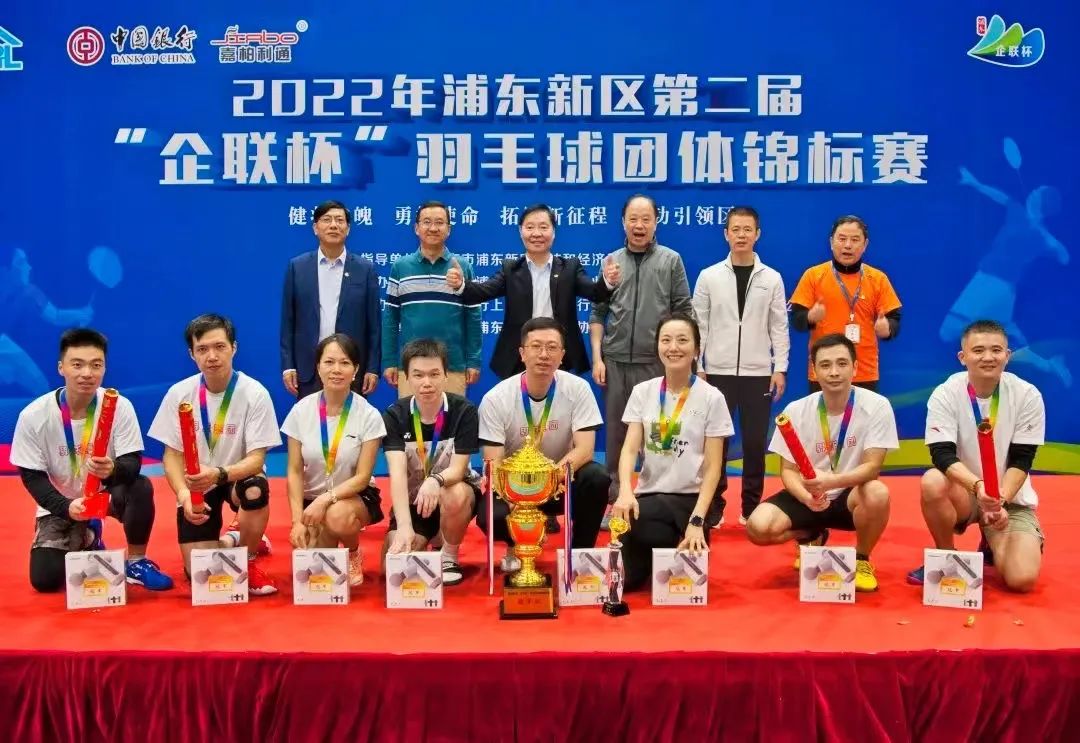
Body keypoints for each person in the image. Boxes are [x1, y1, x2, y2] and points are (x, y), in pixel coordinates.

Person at [11, 328, 173, 593]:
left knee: (140, 486)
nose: (87, 373)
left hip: (105, 496)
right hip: (62, 503)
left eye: (96, 365)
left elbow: (132, 462)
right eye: (77, 365)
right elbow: (32, 477)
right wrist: (66, 507)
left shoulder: (119, 406)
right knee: (45, 580)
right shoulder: (34, 416)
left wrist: (113, 470)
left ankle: (136, 562)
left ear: (104, 368)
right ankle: (89, 535)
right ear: (61, 367)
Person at [745, 334, 898, 592]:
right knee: (757, 528)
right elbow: (788, 471)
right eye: (825, 365)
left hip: (850, 494)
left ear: (855, 367)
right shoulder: (795, 410)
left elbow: (873, 467)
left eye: (842, 363)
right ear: (814, 371)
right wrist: (806, 497)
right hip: (810, 494)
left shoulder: (877, 406)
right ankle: (811, 533)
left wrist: (831, 481)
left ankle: (861, 558)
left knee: (878, 493)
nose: (834, 372)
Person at [148, 314, 282, 595]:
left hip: (236, 478)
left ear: (234, 348)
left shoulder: (254, 393)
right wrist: (184, 494)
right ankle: (234, 538)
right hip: (197, 486)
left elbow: (257, 459)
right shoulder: (179, 394)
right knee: (202, 573)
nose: (212, 356)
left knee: (256, 490)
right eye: (202, 349)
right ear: (192, 354)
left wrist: (219, 474)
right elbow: (171, 456)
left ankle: (248, 558)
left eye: (220, 346)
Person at [907, 320, 1045, 593]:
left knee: (1022, 580)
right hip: (966, 493)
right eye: (978, 350)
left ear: (1008, 355)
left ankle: (993, 540)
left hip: (1008, 499)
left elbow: (1022, 459)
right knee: (932, 481)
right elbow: (941, 454)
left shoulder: (1027, 395)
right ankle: (947, 557)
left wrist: (999, 499)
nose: (988, 357)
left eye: (996, 350)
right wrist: (979, 488)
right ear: (963, 357)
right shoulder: (945, 394)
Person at [476, 317, 610, 570]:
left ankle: (579, 555)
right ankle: (518, 546)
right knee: (491, 516)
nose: (544, 354)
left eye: (552, 347)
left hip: (559, 482)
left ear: (562, 355)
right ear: (522, 353)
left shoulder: (578, 389)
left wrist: (546, 480)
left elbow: (585, 449)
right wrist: (517, 499)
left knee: (597, 478)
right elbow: (495, 462)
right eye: (536, 346)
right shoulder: (496, 398)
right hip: (514, 487)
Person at [612, 313, 732, 590]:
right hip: (649, 496)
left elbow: (713, 467)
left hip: (692, 499)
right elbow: (629, 449)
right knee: (628, 582)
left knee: (673, 564)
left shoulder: (712, 397)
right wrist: (625, 492)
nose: (673, 347)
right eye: (666, 340)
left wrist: (698, 520)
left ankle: (676, 538)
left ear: (696, 349)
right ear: (657, 346)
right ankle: (661, 547)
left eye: (682, 340)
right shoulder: (643, 392)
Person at [589, 194, 694, 510]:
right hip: (615, 361)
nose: (639, 225)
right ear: (623, 222)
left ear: (655, 223)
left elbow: (683, 310)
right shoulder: (611, 261)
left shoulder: (671, 260)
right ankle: (614, 499)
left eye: (646, 219)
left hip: (656, 363)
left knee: (658, 434)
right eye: (633, 219)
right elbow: (598, 312)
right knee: (617, 434)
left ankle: (656, 499)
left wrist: (681, 358)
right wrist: (598, 358)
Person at [692, 206, 789, 527]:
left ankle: (751, 508)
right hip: (716, 372)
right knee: (715, 443)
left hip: (758, 373)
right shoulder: (709, 276)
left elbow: (779, 326)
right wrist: (699, 365)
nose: (741, 235)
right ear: (726, 234)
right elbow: (699, 325)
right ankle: (714, 507)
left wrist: (780, 367)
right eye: (735, 229)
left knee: (755, 443)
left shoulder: (771, 278)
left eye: (748, 229)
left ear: (757, 234)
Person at [445, 203, 621, 379]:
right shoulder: (511, 269)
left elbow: (595, 293)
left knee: (557, 395)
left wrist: (607, 281)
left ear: (554, 232)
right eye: (530, 227)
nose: (536, 233)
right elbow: (483, 291)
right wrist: (461, 284)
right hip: (520, 354)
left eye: (543, 227)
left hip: (558, 353)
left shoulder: (569, 267)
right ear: (520, 231)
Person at [942, 162, 1070, 387]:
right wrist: (975, 184)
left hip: (992, 284)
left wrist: (1046, 236)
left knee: (949, 330)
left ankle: (979, 373)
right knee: (1008, 337)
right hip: (998, 287)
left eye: (1038, 192)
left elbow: (1064, 257)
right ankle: (1051, 365)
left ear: (1041, 203)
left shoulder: (1040, 236)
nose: (1033, 191)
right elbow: (1000, 196)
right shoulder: (1018, 212)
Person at [281, 333, 386, 588]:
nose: (336, 370)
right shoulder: (301, 411)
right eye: (329, 362)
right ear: (318, 367)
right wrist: (297, 521)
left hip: (354, 497)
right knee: (313, 569)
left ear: (356, 369)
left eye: (345, 363)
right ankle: (324, 538)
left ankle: (352, 553)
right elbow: (294, 471)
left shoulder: (369, 415)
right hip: (311, 500)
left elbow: (363, 477)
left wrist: (324, 500)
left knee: (337, 516)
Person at [383, 339, 483, 586]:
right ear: (407, 378)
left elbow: (458, 469)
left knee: (455, 493)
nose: (426, 383)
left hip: (451, 494)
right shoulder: (395, 415)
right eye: (418, 375)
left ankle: (448, 555)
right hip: (414, 502)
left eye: (434, 374)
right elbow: (397, 475)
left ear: (446, 375)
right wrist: (404, 527)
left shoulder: (464, 411)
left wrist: (435, 480)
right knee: (395, 566)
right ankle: (429, 534)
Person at [280, 200, 381, 399]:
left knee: (351, 419)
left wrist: (372, 368)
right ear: (315, 228)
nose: (334, 225)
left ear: (348, 229)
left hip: (350, 367)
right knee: (310, 418)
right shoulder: (298, 267)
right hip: (309, 368)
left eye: (339, 220)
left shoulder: (364, 269)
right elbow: (288, 321)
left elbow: (374, 325)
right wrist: (288, 365)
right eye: (327, 220)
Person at [789, 216, 902, 392]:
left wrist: (887, 329)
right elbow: (796, 319)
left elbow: (894, 319)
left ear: (865, 245)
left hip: (865, 372)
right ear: (831, 242)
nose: (848, 245)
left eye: (855, 240)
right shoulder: (813, 276)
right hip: (824, 371)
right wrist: (809, 317)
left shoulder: (878, 278)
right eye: (842, 239)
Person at [382, 201, 481, 397]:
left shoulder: (463, 267)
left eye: (439, 222)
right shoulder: (400, 267)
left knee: (451, 416)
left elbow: (473, 318)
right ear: (416, 228)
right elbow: (390, 319)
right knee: (412, 416)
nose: (433, 228)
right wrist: (389, 361)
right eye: (427, 222)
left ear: (448, 229)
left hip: (452, 366)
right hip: (411, 367)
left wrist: (474, 361)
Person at [0, 247, 93, 395]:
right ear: (4, 270)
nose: (28, 267)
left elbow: (56, 316)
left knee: (40, 385)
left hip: (2, 344)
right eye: (21, 262)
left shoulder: (29, 293)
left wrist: (80, 314)